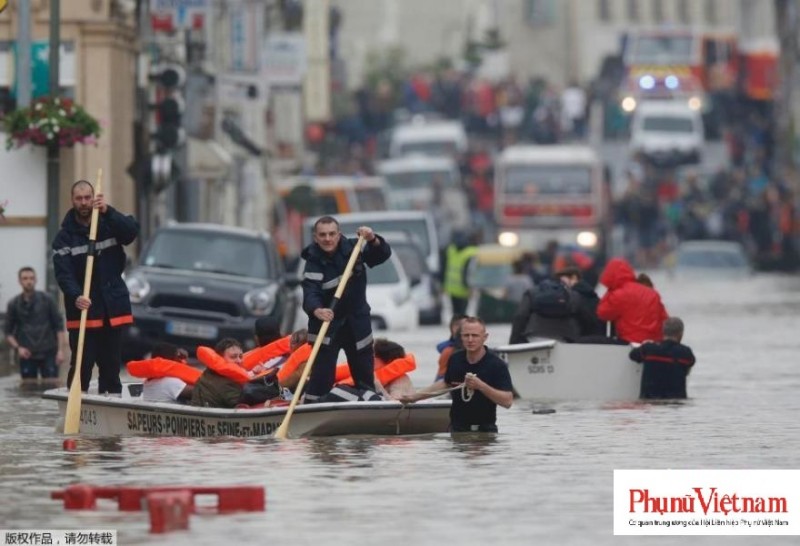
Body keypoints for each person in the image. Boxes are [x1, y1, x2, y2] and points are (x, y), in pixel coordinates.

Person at [52, 180, 139, 394]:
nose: (83, 203)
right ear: (72, 201)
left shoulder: (109, 223)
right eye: (79, 199)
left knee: (111, 366)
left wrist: (108, 211)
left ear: (94, 198)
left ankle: (111, 405)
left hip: (111, 307)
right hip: (84, 309)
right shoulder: (63, 238)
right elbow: (64, 275)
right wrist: (76, 295)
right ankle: (74, 407)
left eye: (87, 198)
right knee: (82, 364)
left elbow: (130, 233)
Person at [300, 216, 392, 402]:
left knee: (365, 377)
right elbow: (310, 291)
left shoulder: (354, 249)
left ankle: (369, 408)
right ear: (315, 237)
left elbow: (381, 255)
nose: (328, 239)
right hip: (327, 326)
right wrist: (317, 310)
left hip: (357, 325)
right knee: (321, 379)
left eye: (332, 234)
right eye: (323, 235)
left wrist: (372, 239)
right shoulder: (313, 260)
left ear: (338, 234)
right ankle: (313, 410)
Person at [402, 317, 513, 433]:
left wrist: (481, 386)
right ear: (461, 337)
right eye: (466, 335)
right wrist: (413, 397)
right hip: (458, 429)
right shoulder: (455, 359)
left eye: (475, 335)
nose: (470, 340)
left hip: (485, 430)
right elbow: (446, 383)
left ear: (485, 337)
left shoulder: (497, 365)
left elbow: (507, 402)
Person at [4, 267, 66, 387]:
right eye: (25, 278)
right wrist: (18, 348)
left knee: (51, 387)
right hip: (27, 353)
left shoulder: (47, 300)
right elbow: (8, 332)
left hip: (49, 352)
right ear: (20, 281)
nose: (29, 281)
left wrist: (60, 351)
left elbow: (58, 327)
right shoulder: (14, 304)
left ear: (36, 280)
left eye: (31, 278)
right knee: (27, 389)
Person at [596, 258, 668, 343]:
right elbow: (664, 319)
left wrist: (610, 290)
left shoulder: (618, 295)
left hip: (629, 341)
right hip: (653, 343)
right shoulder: (652, 293)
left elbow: (602, 313)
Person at [629, 317, 696, 399]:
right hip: (676, 404)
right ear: (681, 334)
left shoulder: (649, 349)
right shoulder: (686, 352)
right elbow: (690, 366)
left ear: (662, 331)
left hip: (651, 403)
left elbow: (632, 355)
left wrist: (645, 344)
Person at [509, 275, 581, 344]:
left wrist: (514, 341)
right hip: (564, 337)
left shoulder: (532, 292)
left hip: (534, 335)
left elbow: (520, 315)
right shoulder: (571, 295)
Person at [129, 342, 197, 403]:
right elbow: (201, 392)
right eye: (178, 358)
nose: (181, 362)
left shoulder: (148, 382)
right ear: (172, 362)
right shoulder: (171, 382)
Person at [190, 338, 249, 408]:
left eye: (241, 356)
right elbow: (243, 404)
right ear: (221, 358)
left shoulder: (210, 373)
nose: (239, 361)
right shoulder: (225, 384)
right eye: (233, 357)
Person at [555, 266, 605, 338]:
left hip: (585, 337)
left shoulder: (576, 296)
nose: (562, 286)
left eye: (563, 282)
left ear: (574, 278)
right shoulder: (589, 293)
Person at [442, 231, 478, 317]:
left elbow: (444, 267)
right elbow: (471, 272)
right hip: (462, 289)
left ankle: (458, 327)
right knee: (460, 313)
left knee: (457, 313)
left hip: (454, 288)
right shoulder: (471, 252)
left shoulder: (451, 250)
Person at [435, 314, 465, 381]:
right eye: (457, 325)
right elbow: (441, 378)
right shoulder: (448, 351)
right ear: (451, 328)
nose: (460, 328)